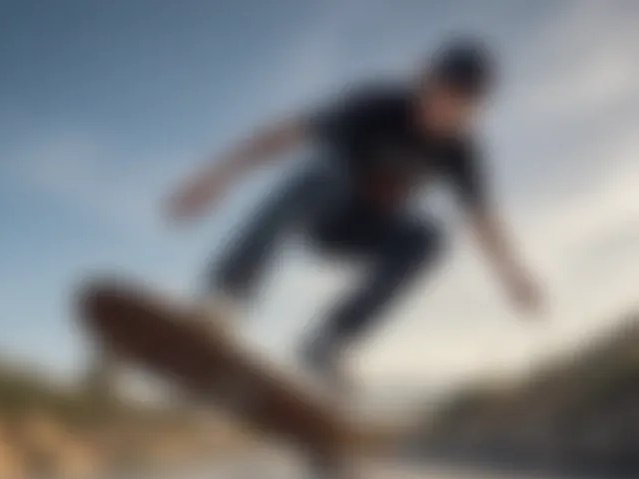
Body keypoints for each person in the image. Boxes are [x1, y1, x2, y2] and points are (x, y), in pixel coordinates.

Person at [165, 39, 543, 397]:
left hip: (367, 232)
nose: (443, 113)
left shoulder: (460, 150)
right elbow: (286, 135)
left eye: (458, 107)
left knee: (428, 238)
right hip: (323, 214)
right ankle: (226, 298)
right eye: (439, 96)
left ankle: (330, 342)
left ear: (472, 111)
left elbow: (483, 218)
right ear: (424, 80)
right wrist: (218, 174)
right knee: (322, 173)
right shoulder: (377, 105)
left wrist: (513, 276)